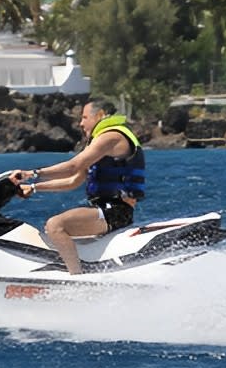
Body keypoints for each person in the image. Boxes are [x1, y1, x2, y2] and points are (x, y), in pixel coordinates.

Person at [9, 98, 145, 274]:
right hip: (103, 210)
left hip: (116, 211)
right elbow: (73, 180)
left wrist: (32, 174)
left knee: (56, 225)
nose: (81, 123)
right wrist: (34, 187)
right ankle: (76, 270)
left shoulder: (112, 137)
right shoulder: (99, 143)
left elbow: (74, 166)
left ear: (101, 115)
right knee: (50, 234)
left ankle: (76, 280)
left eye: (84, 117)